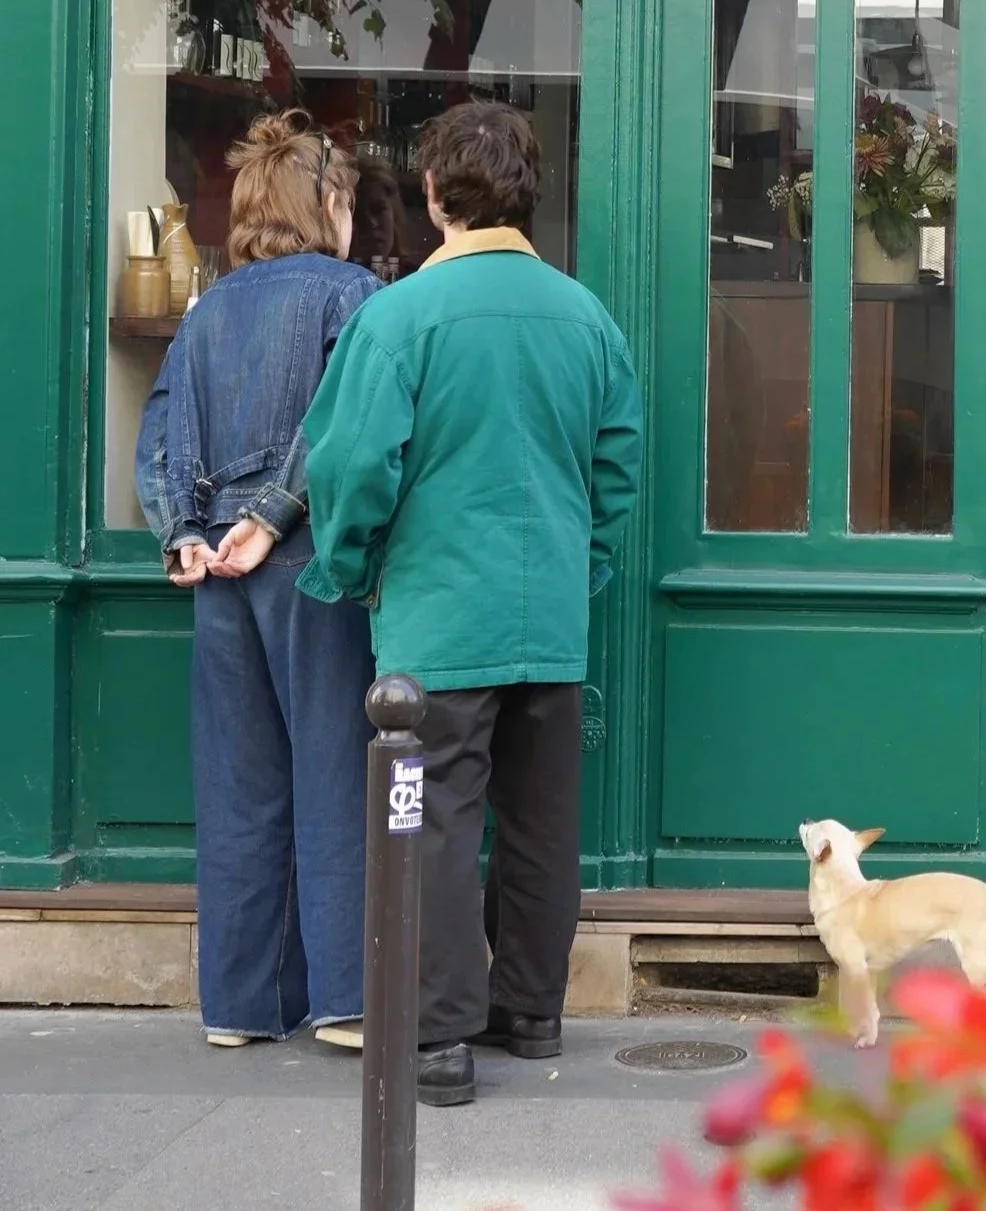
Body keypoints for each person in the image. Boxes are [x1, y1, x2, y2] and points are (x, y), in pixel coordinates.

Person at [297, 101, 642, 1107]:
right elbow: (616, 472)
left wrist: (353, 566)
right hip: (550, 620)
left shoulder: (399, 317)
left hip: (438, 618)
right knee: (541, 821)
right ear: (529, 193)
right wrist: (582, 567)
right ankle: (531, 1011)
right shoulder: (586, 317)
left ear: (433, 193)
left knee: (431, 821)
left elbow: (350, 466)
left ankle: (439, 1036)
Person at [135, 111, 380, 1051]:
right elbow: (343, 424)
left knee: (240, 787)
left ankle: (241, 1007)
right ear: (327, 204)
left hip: (218, 571)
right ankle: (346, 998)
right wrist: (274, 514)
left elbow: (159, 433)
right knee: (334, 773)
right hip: (309, 563)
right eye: (347, 200)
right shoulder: (351, 294)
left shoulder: (206, 310)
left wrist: (183, 536)